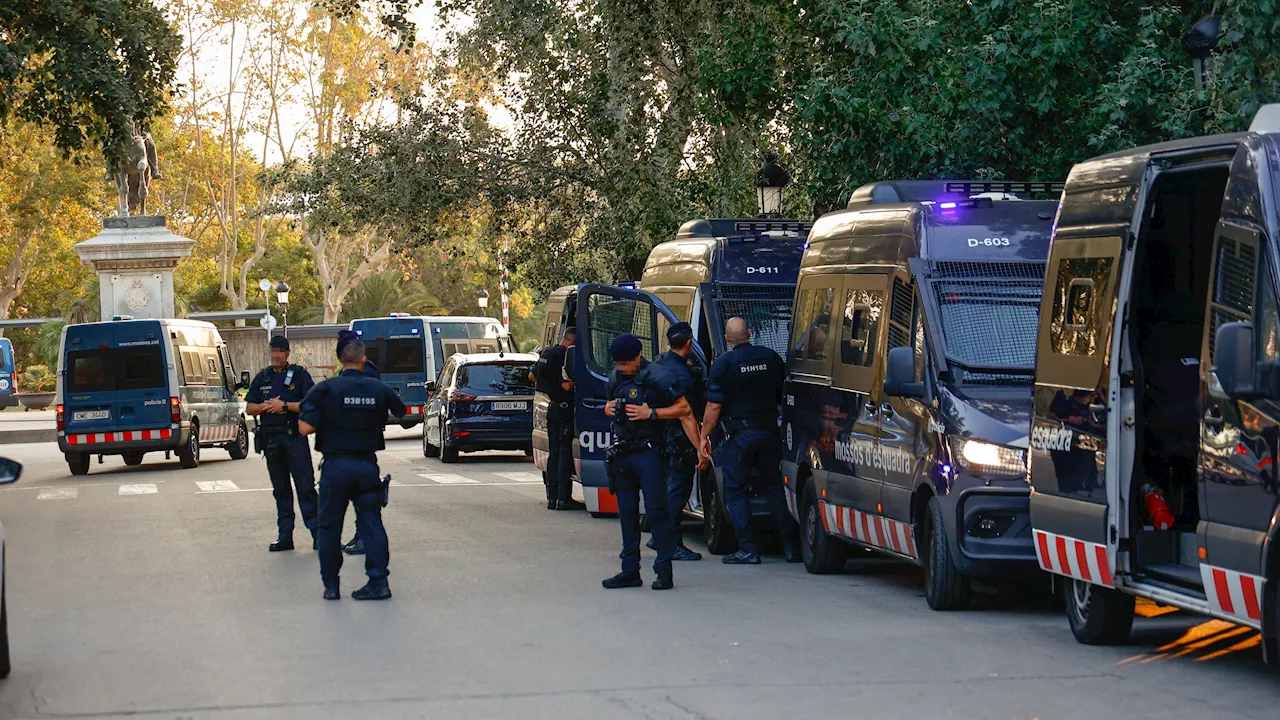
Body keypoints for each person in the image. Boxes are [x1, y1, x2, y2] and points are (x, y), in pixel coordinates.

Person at [298, 331, 408, 600]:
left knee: (329, 527)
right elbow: (402, 413)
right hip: (367, 467)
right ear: (364, 358)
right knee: (372, 524)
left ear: (339, 359)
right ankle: (379, 582)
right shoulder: (378, 388)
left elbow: (304, 427)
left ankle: (331, 586)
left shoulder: (325, 389)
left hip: (335, 467)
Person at [698, 317, 801, 565]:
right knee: (776, 488)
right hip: (769, 433)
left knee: (736, 491)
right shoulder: (771, 357)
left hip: (741, 436)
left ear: (726, 339)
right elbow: (783, 394)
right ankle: (791, 548)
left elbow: (713, 406)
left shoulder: (724, 364)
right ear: (750, 333)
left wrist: (703, 437)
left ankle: (747, 549)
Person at [601, 334, 693, 591]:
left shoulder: (658, 376)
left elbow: (684, 409)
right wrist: (607, 409)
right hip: (623, 453)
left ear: (638, 357)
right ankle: (630, 571)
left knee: (656, 512)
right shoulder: (615, 377)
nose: (622, 368)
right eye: (618, 364)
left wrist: (650, 413)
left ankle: (664, 571)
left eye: (626, 363)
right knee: (627, 514)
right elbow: (610, 405)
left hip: (650, 452)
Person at [245, 335, 318, 552]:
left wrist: (284, 406)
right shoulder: (263, 377)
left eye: (279, 352)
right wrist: (266, 407)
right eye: (272, 352)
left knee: (305, 487)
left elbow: (310, 403)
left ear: (287, 353)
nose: (275, 356)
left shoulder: (299, 375)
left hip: (294, 438)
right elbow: (249, 407)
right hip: (272, 440)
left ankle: (318, 535)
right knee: (281, 490)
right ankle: (285, 537)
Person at [649, 322, 706, 561]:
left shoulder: (659, 362)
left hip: (656, 436)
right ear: (689, 344)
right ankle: (670, 543)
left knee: (664, 489)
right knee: (678, 491)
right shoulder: (684, 374)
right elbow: (686, 415)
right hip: (677, 438)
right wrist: (700, 447)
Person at [530, 327, 583, 510]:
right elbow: (567, 386)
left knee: (553, 454)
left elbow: (531, 376)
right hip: (564, 409)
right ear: (573, 342)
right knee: (564, 454)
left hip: (551, 407)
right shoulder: (565, 356)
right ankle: (563, 498)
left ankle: (551, 498)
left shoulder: (547, 351)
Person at [341, 358, 383, 557]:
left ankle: (366, 538)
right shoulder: (352, 372)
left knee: (365, 497)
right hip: (353, 442)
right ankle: (361, 536)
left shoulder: (365, 372)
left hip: (363, 443)